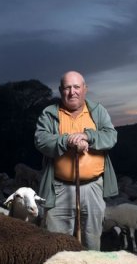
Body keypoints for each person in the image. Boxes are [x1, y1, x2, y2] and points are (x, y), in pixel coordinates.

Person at [34, 70, 119, 251]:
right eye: (67, 87)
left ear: (85, 89)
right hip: (59, 188)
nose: (72, 92)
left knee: (92, 240)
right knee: (57, 242)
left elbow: (111, 136)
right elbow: (41, 141)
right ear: (60, 90)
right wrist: (67, 141)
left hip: (93, 188)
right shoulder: (49, 114)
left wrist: (87, 136)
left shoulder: (97, 111)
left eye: (76, 87)